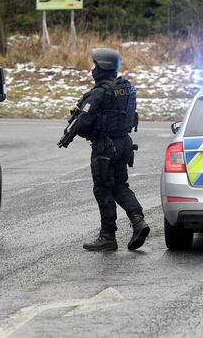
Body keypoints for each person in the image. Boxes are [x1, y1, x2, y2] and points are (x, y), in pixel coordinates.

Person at [74, 48, 149, 251]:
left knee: (103, 189)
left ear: (102, 67)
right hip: (124, 143)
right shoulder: (126, 87)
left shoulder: (98, 94)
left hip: (105, 149)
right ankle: (138, 220)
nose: (92, 69)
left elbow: (82, 126)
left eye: (94, 65)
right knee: (120, 186)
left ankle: (108, 236)